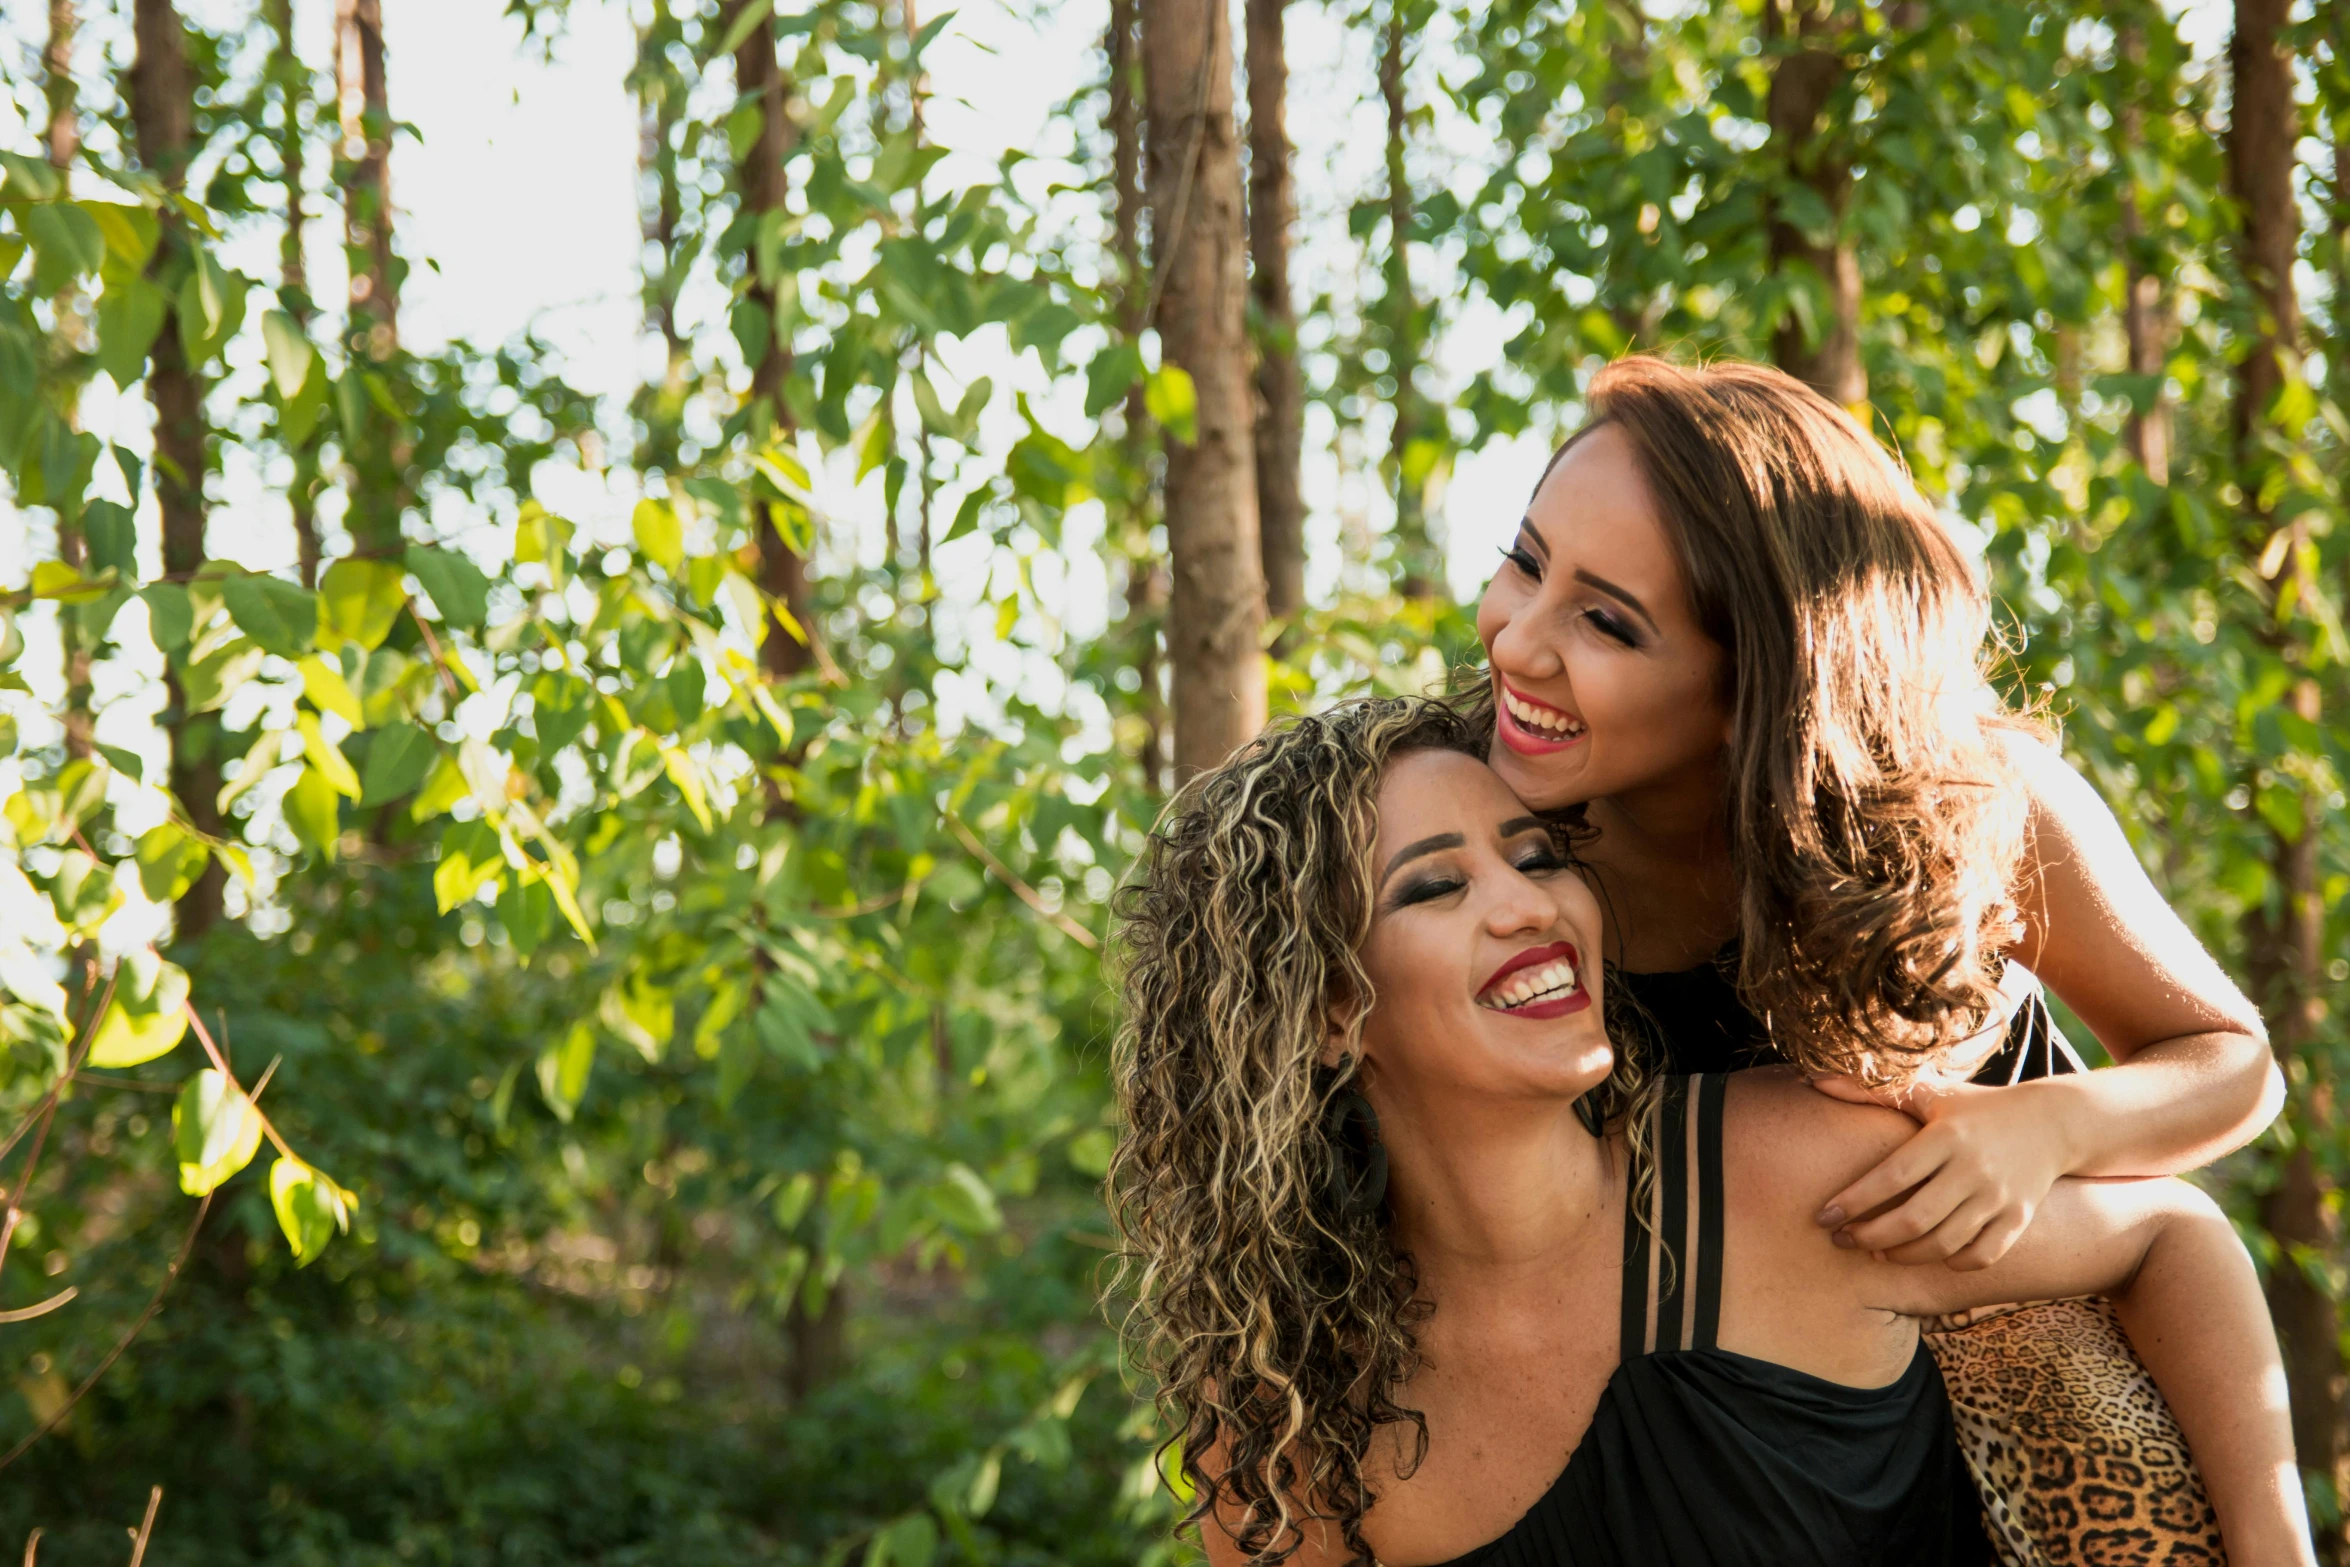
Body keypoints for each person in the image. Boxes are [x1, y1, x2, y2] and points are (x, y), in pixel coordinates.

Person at [1108, 697, 2306, 1566]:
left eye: (1533, 855)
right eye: (1436, 886)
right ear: (1325, 1012)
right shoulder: (1279, 1425)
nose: (1529, 903)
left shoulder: (1771, 1174)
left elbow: (2170, 1234)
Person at [1474, 356, 2280, 1268]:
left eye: (1607, 623)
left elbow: (2230, 1061)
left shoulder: (1974, 799)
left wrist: (2048, 1128)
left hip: (2014, 1347)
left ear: (1759, 685)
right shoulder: (1462, 830)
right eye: (1526, 562)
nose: (1518, 639)